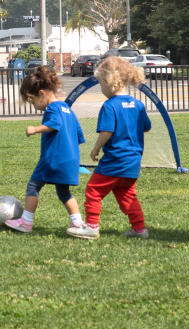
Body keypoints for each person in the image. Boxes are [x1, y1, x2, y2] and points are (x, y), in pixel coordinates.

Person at [68, 57, 151, 240]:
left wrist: (96, 148)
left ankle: (91, 227)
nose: (101, 89)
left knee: (93, 190)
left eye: (100, 84)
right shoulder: (138, 104)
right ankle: (139, 229)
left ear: (108, 82)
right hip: (133, 162)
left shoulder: (109, 106)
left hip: (115, 160)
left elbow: (107, 132)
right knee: (127, 194)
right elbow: (146, 126)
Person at [4, 67, 86, 233]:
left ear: (41, 93)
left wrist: (35, 129)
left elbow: (54, 124)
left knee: (33, 186)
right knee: (64, 192)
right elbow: (79, 136)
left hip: (53, 158)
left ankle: (26, 222)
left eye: (32, 100)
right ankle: (77, 222)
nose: (34, 106)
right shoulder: (67, 109)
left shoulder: (53, 108)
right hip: (70, 160)